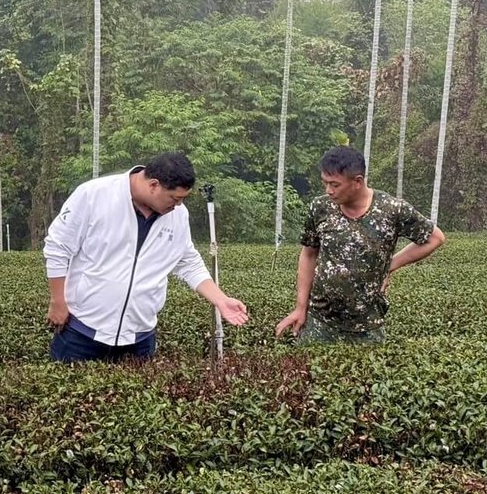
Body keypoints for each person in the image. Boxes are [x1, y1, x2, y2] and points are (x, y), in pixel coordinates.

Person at [44, 151, 248, 363]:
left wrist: (221, 300)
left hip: (140, 338)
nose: (177, 206)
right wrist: (58, 301)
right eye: (174, 198)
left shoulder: (177, 215)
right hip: (81, 334)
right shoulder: (93, 195)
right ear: (153, 185)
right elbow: (58, 247)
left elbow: (187, 261)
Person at [276, 146, 446, 344]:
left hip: (367, 327)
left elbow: (435, 238)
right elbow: (309, 254)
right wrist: (300, 307)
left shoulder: (391, 210)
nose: (328, 191)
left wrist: (391, 265)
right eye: (325, 183)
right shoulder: (320, 208)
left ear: (357, 181)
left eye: (335, 185)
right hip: (320, 322)